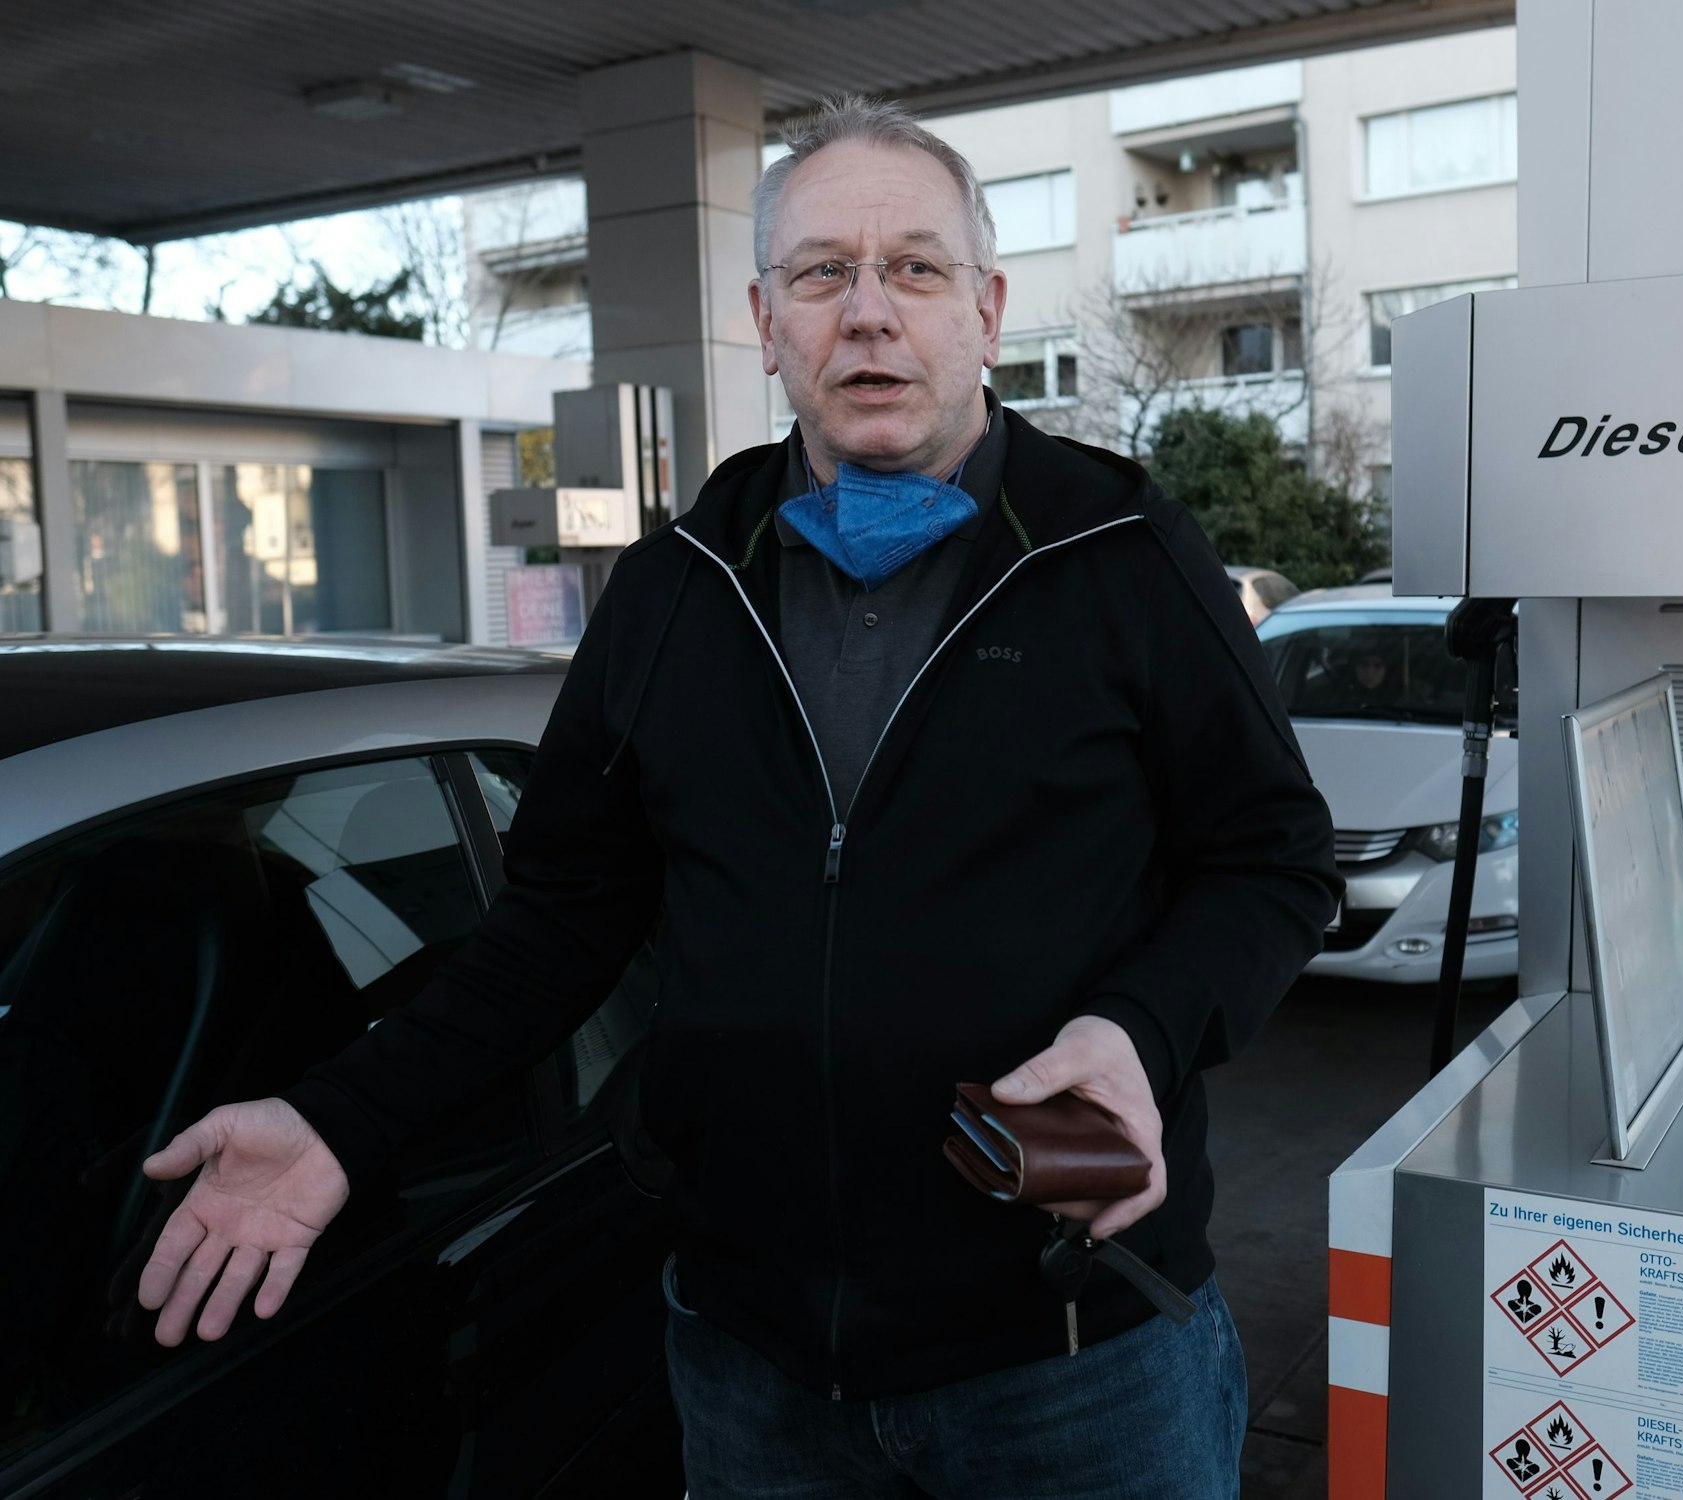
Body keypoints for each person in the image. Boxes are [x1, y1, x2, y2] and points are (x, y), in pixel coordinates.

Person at [136, 95, 1341, 1498]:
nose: (869, 311)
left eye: (916, 268)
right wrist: (345, 1118)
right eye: (823, 273)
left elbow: (1274, 860)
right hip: (753, 1368)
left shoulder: (1122, 554)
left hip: (1078, 1359)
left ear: (988, 310)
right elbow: (555, 924)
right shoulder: (676, 589)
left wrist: (1141, 1029)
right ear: (766, 323)